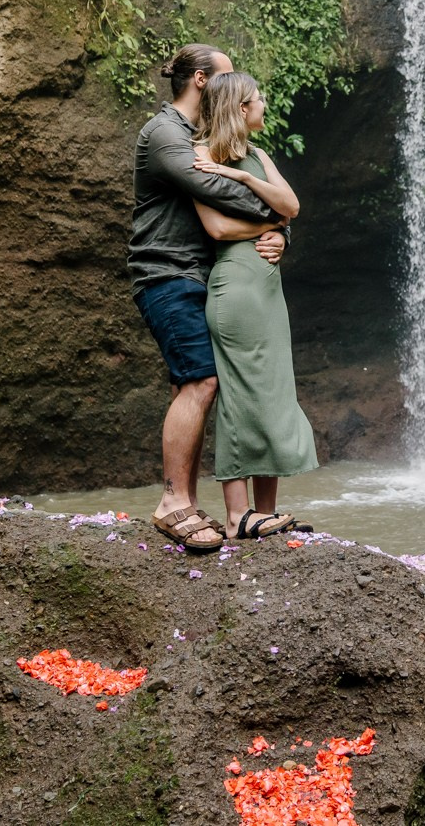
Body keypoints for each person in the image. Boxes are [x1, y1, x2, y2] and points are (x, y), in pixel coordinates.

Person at [129, 44, 287, 552]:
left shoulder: (208, 139)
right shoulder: (166, 135)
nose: (235, 86)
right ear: (201, 80)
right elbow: (219, 193)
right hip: (167, 274)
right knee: (200, 380)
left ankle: (200, 506)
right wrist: (280, 215)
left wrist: (281, 234)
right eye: (226, 76)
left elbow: (245, 204)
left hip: (206, 276)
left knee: (202, 383)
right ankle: (173, 503)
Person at [191, 72, 319, 538]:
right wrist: (273, 227)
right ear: (241, 108)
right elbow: (218, 229)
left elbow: (291, 206)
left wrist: (245, 177)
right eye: (258, 98)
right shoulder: (201, 155)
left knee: (273, 393)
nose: (264, 103)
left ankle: (267, 514)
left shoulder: (258, 156)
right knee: (242, 395)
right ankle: (237, 515)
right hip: (237, 288)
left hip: (267, 292)